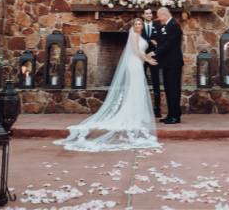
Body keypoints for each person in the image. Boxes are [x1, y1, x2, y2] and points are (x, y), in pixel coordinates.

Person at [54, 18, 160, 151]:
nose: (139, 26)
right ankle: (132, 114)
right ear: (133, 26)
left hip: (139, 63)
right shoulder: (133, 36)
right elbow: (136, 51)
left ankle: (138, 113)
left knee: (137, 88)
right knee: (134, 87)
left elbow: (143, 51)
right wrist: (148, 60)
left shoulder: (142, 36)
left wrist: (148, 55)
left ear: (142, 26)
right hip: (134, 64)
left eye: (140, 24)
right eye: (137, 24)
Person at [151, 7, 184, 124]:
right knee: (169, 89)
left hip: (174, 64)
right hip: (167, 64)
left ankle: (175, 116)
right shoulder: (167, 25)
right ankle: (171, 114)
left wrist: (155, 52)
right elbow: (164, 41)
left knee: (173, 90)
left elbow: (169, 44)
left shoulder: (174, 25)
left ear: (164, 15)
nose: (159, 19)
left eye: (159, 17)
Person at [140, 8, 162, 118]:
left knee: (156, 82)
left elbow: (161, 39)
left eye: (150, 13)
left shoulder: (158, 25)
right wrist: (150, 41)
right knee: (141, 82)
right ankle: (142, 108)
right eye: (147, 14)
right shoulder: (139, 25)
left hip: (154, 57)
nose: (149, 15)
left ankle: (157, 109)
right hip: (142, 58)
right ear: (143, 15)